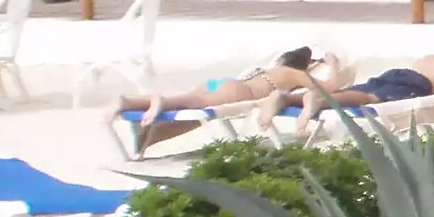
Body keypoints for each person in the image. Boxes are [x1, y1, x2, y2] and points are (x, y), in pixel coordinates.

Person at [118, 47, 331, 149]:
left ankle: (147, 139)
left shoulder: (268, 69)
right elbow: (326, 88)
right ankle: (150, 101)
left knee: (192, 108)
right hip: (238, 91)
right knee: (193, 105)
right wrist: (332, 64)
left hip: (219, 83)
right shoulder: (293, 74)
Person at [309, 37, 434, 108]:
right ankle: (321, 101)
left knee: (360, 89)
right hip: (420, 83)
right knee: (370, 98)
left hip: (398, 73)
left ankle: (302, 99)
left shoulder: (426, 58)